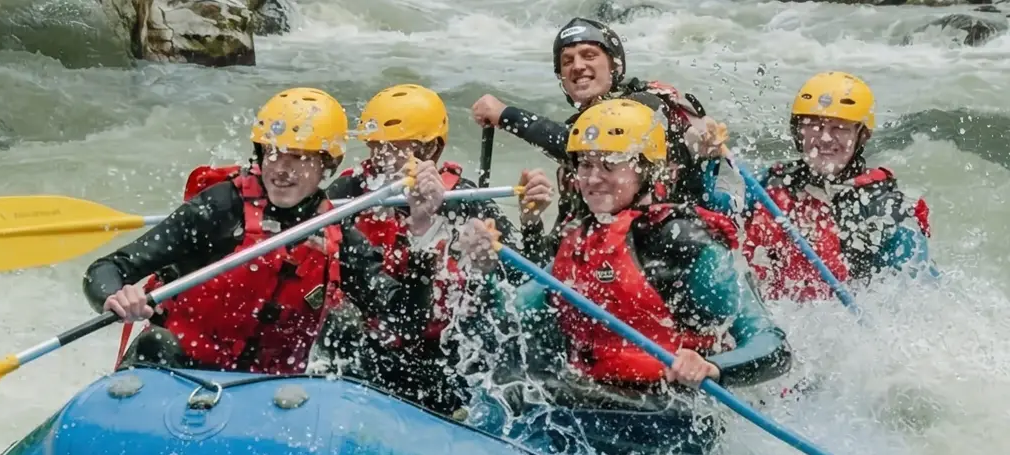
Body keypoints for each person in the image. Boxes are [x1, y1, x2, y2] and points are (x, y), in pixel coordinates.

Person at [469, 99, 792, 455]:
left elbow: (773, 348)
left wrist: (713, 367)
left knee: (520, 396)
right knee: (507, 373)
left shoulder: (684, 243)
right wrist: (485, 271)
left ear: (646, 170)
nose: (592, 178)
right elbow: (517, 319)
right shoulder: (579, 238)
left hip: (671, 416)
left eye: (609, 164)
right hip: (597, 400)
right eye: (585, 164)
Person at [82, 87, 426, 376]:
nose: (282, 169)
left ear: (327, 165)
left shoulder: (336, 231)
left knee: (345, 328)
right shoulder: (219, 209)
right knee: (157, 343)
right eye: (273, 154)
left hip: (264, 395)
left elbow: (404, 318)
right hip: (179, 373)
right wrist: (114, 295)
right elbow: (106, 269)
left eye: (300, 158)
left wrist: (423, 232)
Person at [323, 83, 526, 416]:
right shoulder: (350, 190)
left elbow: (520, 272)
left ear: (429, 150)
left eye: (392, 149)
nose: (378, 160)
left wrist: (496, 255)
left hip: (441, 345)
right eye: (375, 148)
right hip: (376, 334)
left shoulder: (464, 200)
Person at [470, 18, 726, 252]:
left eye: (589, 55)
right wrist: (531, 221)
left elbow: (577, 140)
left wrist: (508, 115)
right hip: (608, 259)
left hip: (671, 248)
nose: (577, 66)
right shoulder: (583, 165)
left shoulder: (645, 106)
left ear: (615, 65)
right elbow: (554, 255)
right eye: (567, 61)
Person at [709, 72, 936, 303]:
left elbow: (917, 295)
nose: (825, 138)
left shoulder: (887, 211)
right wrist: (702, 159)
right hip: (771, 316)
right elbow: (713, 211)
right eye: (814, 126)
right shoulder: (768, 184)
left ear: (861, 136)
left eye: (839, 128)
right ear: (799, 132)